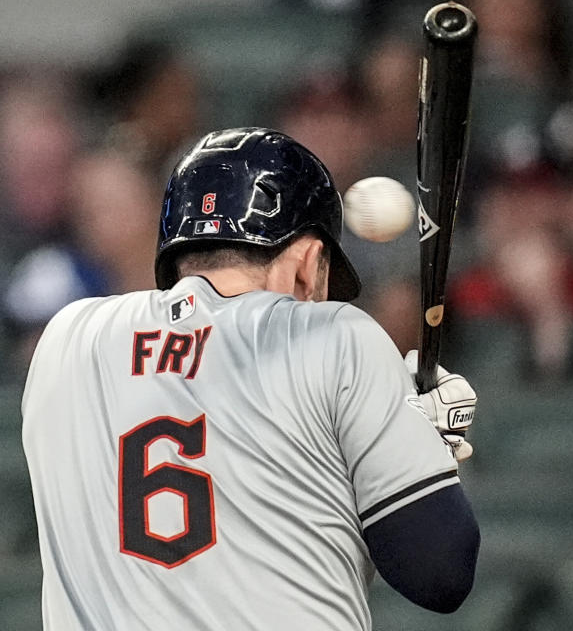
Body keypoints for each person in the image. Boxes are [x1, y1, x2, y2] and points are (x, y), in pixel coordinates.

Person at [20, 128, 480, 630]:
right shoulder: (334, 335)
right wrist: (418, 449)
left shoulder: (66, 340)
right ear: (308, 262)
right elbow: (438, 574)